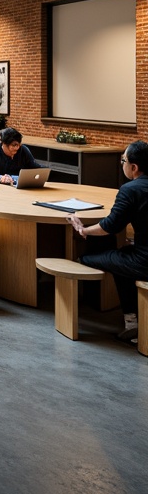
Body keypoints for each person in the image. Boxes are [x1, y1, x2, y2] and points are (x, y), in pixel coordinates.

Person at [70, 140, 148, 342]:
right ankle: (132, 321)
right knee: (122, 256)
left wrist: (82, 229)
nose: (121, 164)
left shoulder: (130, 189)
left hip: (144, 262)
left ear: (134, 167)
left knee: (87, 258)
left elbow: (110, 227)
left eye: (123, 160)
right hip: (141, 253)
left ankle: (134, 325)